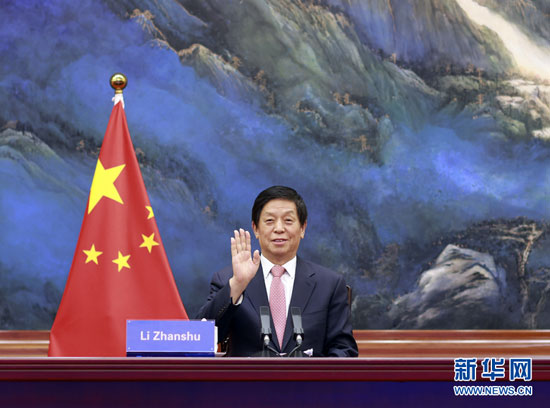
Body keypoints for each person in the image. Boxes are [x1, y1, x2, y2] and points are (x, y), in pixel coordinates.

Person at [197, 186, 358, 357]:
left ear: (302, 228)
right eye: (269, 221)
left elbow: (344, 350)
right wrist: (237, 285)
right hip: (248, 375)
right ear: (256, 229)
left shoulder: (329, 284)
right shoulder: (228, 280)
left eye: (288, 220)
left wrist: (316, 373)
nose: (279, 228)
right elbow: (201, 339)